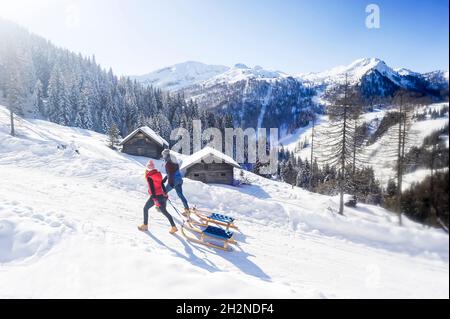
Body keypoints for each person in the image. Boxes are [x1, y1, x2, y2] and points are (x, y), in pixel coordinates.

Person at [138, 160, 178, 234]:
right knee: (165, 212)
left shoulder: (149, 177)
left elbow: (152, 188)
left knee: (145, 209)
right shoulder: (158, 174)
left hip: (156, 196)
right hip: (162, 196)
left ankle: (145, 225)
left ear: (147, 169)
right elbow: (161, 183)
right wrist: (165, 193)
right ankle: (173, 227)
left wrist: (154, 199)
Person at [161, 149, 190, 216]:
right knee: (180, 195)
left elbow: (170, 173)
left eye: (163, 155)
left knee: (164, 192)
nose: (163, 156)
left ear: (165, 155)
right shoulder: (174, 160)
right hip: (179, 179)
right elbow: (171, 172)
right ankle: (187, 210)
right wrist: (165, 179)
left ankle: (162, 207)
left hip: (174, 180)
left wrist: (170, 182)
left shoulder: (168, 163)